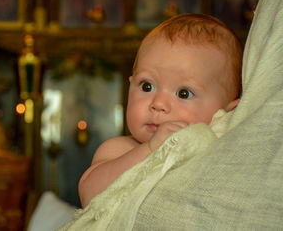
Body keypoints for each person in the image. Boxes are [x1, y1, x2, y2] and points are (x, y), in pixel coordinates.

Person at [78, 13, 243, 208]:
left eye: (183, 93)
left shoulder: (224, 153)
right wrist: (149, 151)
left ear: (228, 111)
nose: (158, 103)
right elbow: (89, 195)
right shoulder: (120, 149)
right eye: (147, 86)